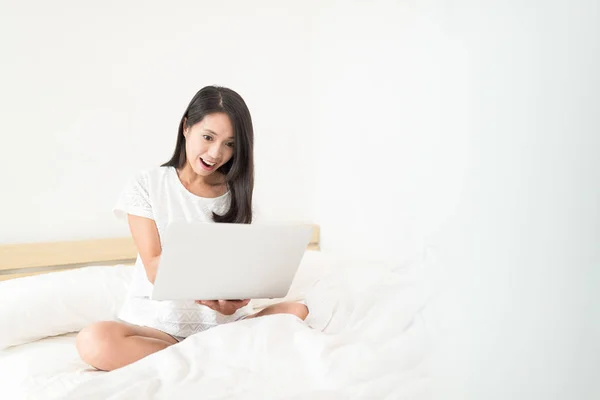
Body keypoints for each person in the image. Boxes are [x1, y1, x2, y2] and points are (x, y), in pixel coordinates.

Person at [76, 86, 309, 372]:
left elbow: (245, 273)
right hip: (159, 329)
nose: (216, 153)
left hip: (224, 327)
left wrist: (233, 304)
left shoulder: (240, 197)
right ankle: (205, 357)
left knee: (298, 310)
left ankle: (192, 359)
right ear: (186, 127)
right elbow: (154, 267)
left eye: (230, 144)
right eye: (208, 137)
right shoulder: (147, 184)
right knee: (94, 341)